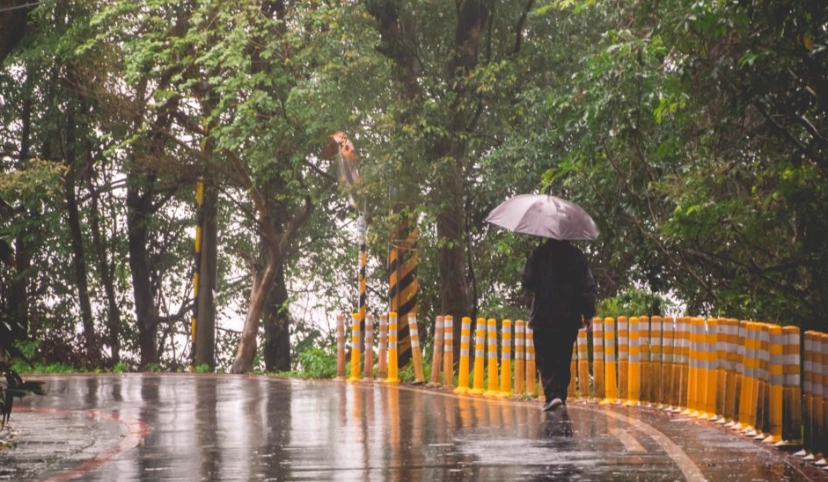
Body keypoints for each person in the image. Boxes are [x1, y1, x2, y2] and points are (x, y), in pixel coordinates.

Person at [521, 238, 596, 411]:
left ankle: (552, 395)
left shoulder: (537, 254)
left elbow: (527, 281)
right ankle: (559, 395)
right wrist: (588, 313)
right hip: (568, 318)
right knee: (563, 357)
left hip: (542, 316)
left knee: (545, 358)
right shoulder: (577, 257)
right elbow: (587, 287)